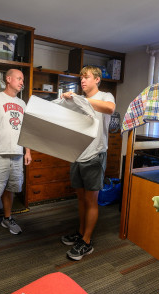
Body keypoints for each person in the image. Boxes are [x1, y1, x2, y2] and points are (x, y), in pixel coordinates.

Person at [60, 65, 116, 260]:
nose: (82, 81)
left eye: (87, 77)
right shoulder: (77, 99)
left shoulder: (106, 96)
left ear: (97, 80)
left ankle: (87, 242)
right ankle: (81, 232)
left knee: (91, 200)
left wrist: (80, 100)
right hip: (77, 153)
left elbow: (110, 109)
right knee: (81, 198)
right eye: (81, 77)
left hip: (95, 154)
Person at [0, 69, 32, 246]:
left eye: (23, 80)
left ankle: (7, 218)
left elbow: (27, 131)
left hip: (17, 155)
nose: (21, 82)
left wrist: (28, 152)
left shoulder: (23, 104)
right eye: (19, 78)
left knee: (10, 189)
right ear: (8, 79)